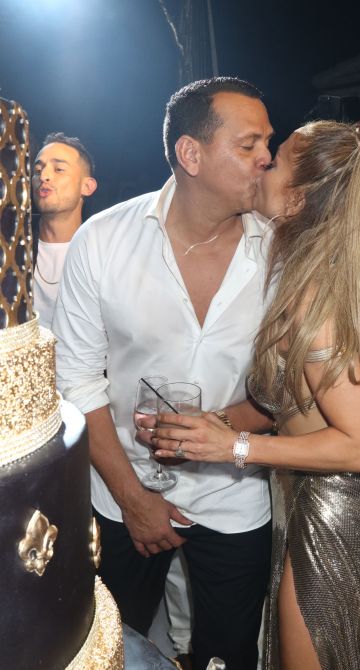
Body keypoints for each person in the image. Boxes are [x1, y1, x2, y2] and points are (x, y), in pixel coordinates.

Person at [153, 120, 360, 670]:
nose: (262, 163)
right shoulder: (302, 276)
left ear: (297, 200)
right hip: (307, 498)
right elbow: (291, 406)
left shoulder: (317, 300)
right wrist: (212, 427)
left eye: (277, 160)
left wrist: (234, 448)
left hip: (337, 512)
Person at [53, 77, 275, 670]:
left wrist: (218, 428)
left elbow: (288, 388)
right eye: (250, 144)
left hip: (235, 493)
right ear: (191, 154)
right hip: (120, 491)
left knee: (229, 655)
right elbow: (76, 381)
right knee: (110, 648)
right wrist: (133, 498)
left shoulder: (281, 250)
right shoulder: (103, 241)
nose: (267, 157)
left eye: (267, 143)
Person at [31, 132, 97, 328]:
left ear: (87, 187)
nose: (44, 176)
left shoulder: (101, 250)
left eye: (59, 169)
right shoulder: (13, 240)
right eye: (37, 170)